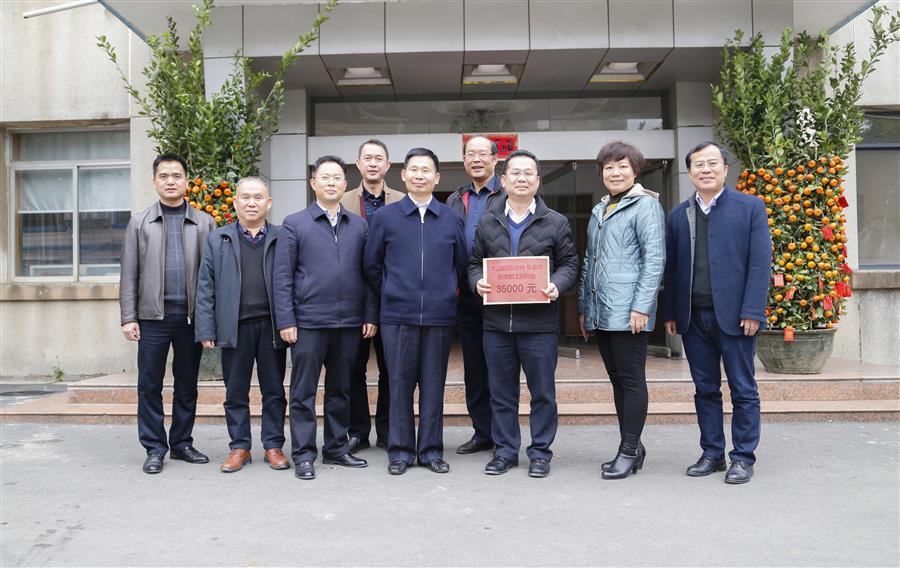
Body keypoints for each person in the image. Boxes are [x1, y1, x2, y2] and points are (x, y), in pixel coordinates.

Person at [664, 141, 770, 484]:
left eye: (712, 163)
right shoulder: (678, 215)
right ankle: (712, 453)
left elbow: (760, 264)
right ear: (689, 172)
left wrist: (753, 309)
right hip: (693, 318)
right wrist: (672, 312)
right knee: (705, 389)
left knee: (743, 389)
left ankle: (743, 457)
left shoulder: (750, 208)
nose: (705, 169)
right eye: (698, 164)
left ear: (725, 169)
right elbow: (672, 268)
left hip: (736, 317)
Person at [469, 150, 579, 478]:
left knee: (542, 393)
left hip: (539, 325)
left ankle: (540, 452)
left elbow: (570, 264)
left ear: (537, 180)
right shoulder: (488, 221)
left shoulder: (556, 222)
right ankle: (505, 451)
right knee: (501, 393)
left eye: (528, 173)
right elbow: (474, 263)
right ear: (503, 180)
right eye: (515, 173)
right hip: (496, 325)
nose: (521, 178)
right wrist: (477, 282)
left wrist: (557, 284)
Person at [273, 155, 377, 480]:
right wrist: (286, 320)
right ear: (313, 183)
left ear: (345, 185)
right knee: (303, 392)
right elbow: (282, 276)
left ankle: (336, 447)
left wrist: (369, 314)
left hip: (348, 323)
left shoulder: (359, 225)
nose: (331, 183)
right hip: (308, 323)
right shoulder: (295, 223)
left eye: (336, 178)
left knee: (341, 390)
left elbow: (370, 275)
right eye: (325, 177)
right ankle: (304, 454)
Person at [364, 147, 467, 475]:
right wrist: (393, 293)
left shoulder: (450, 218)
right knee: (399, 385)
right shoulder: (386, 218)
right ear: (403, 175)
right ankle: (400, 451)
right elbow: (372, 265)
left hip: (438, 317)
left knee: (433, 386)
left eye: (426, 171)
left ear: (436, 178)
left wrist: (444, 294)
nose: (419, 176)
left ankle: (431, 450)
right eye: (414, 170)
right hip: (397, 318)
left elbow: (460, 265)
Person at [119, 153, 216, 474]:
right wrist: (128, 316)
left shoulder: (205, 223)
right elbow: (129, 273)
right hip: (152, 319)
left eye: (176, 176)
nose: (170, 181)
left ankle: (182, 443)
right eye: (164, 176)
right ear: (154, 182)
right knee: (149, 384)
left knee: (187, 384)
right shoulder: (139, 223)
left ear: (187, 181)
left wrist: (210, 320)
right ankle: (154, 447)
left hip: (190, 319)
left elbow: (213, 276)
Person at [578, 141, 665, 480]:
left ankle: (628, 451)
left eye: (622, 166)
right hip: (602, 310)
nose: (615, 172)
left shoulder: (646, 206)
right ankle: (633, 446)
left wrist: (642, 306)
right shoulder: (601, 208)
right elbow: (590, 260)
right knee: (618, 380)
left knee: (631, 380)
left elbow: (654, 259)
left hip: (630, 311)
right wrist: (585, 308)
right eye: (609, 167)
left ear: (635, 171)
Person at [195, 177, 289, 473]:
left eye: (258, 197)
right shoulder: (219, 239)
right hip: (234, 328)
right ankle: (240, 447)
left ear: (268, 203)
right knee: (235, 392)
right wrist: (206, 328)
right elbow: (205, 285)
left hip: (271, 327)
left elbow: (292, 281)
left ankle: (273, 445)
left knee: (274, 391)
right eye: (245, 197)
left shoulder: (281, 237)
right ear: (235, 202)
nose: (251, 203)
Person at [340, 138, 404, 452]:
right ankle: (358, 431)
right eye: (368, 158)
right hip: (354, 297)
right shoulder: (342, 200)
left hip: (392, 296)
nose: (373, 163)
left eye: (379, 158)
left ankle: (388, 430)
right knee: (355, 368)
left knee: (392, 368)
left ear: (388, 165)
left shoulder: (403, 201)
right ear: (359, 164)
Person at [446, 135, 505, 455]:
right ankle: (482, 431)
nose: (477, 159)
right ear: (464, 160)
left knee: (500, 367)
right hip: (467, 295)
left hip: (502, 295)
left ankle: (503, 435)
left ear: (496, 159)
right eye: (471, 154)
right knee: (474, 368)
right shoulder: (456, 198)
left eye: (483, 154)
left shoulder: (509, 192)